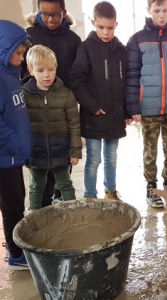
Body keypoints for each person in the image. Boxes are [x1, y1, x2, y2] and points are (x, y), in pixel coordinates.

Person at [126, 0, 167, 208]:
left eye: (165, 10)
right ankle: (151, 187)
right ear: (148, 11)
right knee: (150, 150)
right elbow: (132, 75)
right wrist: (133, 107)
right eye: (156, 11)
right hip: (148, 108)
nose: (161, 15)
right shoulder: (137, 39)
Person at [22, 0, 81, 207]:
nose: (49, 19)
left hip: (61, 110)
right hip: (37, 114)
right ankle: (40, 212)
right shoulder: (28, 35)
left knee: (62, 178)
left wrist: (74, 150)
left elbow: (78, 73)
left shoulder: (73, 40)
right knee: (39, 183)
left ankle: (62, 205)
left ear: (63, 13)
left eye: (55, 15)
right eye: (44, 15)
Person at [70, 1, 129, 201]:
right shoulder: (85, 48)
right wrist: (92, 107)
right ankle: (89, 195)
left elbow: (127, 82)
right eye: (101, 27)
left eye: (110, 28)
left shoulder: (121, 51)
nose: (106, 32)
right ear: (93, 22)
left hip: (114, 116)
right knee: (93, 159)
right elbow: (77, 81)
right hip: (93, 115)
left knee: (111, 158)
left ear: (116, 25)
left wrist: (127, 112)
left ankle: (111, 191)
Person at [0, 20, 32, 270]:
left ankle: (16, 245)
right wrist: (15, 145)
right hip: (5, 157)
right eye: (18, 54)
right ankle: (15, 254)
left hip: (14, 155)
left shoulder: (11, 76)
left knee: (17, 201)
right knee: (12, 206)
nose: (22, 59)